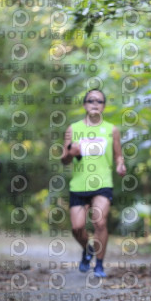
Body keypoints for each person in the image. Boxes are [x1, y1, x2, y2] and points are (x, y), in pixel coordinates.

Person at [60, 89, 126, 278]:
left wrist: (121, 166)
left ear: (103, 105)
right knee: (77, 228)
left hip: (103, 184)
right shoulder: (73, 129)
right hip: (79, 186)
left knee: (99, 222)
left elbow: (118, 156)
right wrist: (70, 153)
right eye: (90, 100)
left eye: (99, 101)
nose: (95, 103)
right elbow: (64, 159)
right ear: (85, 105)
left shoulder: (111, 130)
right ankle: (88, 249)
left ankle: (99, 264)